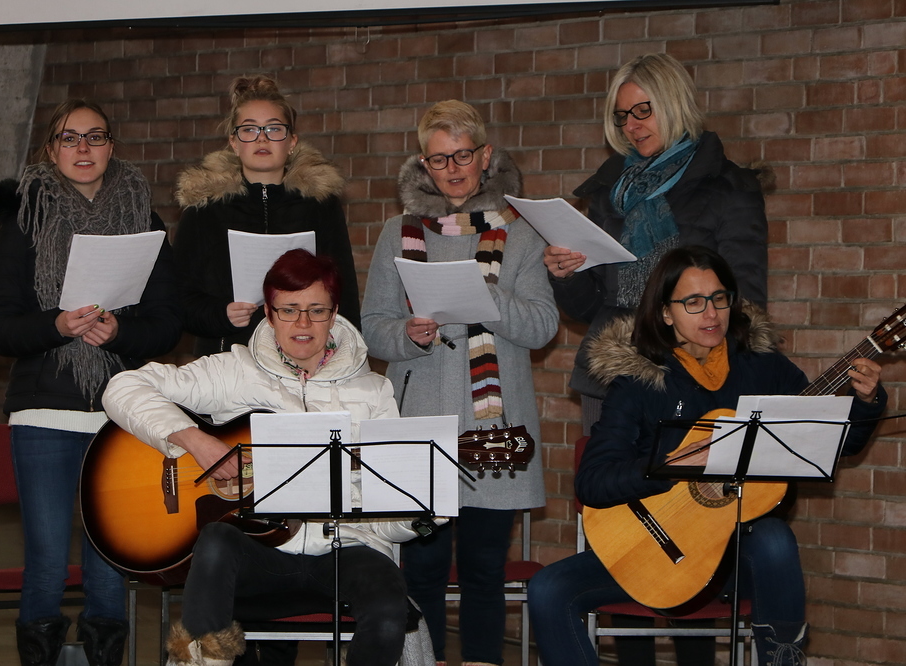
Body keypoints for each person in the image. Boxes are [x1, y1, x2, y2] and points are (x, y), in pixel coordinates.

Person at [528, 246, 886, 666]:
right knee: (547, 588)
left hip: (735, 559)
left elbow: (831, 443)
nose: (711, 313)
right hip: (652, 547)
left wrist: (866, 403)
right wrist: (667, 466)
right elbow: (592, 482)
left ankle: (782, 658)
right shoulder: (639, 381)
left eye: (719, 298)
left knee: (774, 538)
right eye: (694, 302)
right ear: (666, 313)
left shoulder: (764, 368)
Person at [102, 249, 436, 666]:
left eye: (316, 310)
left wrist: (420, 512)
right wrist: (194, 440)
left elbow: (387, 520)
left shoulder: (374, 392)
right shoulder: (234, 372)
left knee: (389, 606)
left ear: (334, 314)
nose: (302, 323)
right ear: (269, 313)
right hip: (257, 557)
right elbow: (123, 387)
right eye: (289, 310)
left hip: (346, 550)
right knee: (216, 540)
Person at [543, 52, 770, 663]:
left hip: (695, 378)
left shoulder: (727, 186)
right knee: (624, 528)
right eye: (623, 116)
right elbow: (589, 305)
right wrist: (566, 273)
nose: (633, 125)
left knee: (691, 522)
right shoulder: (608, 191)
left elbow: (746, 296)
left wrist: (702, 359)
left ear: (674, 104)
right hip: (613, 372)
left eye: (644, 110)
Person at [0, 99, 182, 666]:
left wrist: (119, 332)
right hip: (44, 411)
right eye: (70, 138)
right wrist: (57, 325)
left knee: (108, 560)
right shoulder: (24, 219)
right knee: (47, 559)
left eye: (95, 137)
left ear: (111, 146)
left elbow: (168, 323)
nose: (84, 148)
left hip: (120, 413)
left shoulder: (144, 219)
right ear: (52, 149)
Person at [361, 100, 558, 666]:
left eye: (463, 156)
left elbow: (544, 327)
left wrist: (485, 296)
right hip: (419, 416)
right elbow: (373, 327)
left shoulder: (522, 233)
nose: (452, 169)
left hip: (495, 424)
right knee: (421, 568)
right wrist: (409, 333)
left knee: (483, 569)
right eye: (439, 159)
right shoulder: (397, 232)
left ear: (485, 155)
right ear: (423, 163)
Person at [174, 75, 360, 358]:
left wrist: (345, 356)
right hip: (226, 359)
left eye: (274, 129)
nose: (262, 138)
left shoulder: (320, 205)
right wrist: (221, 314)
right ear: (234, 142)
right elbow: (179, 298)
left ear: (292, 141)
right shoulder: (204, 209)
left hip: (305, 360)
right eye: (249, 129)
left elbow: (344, 294)